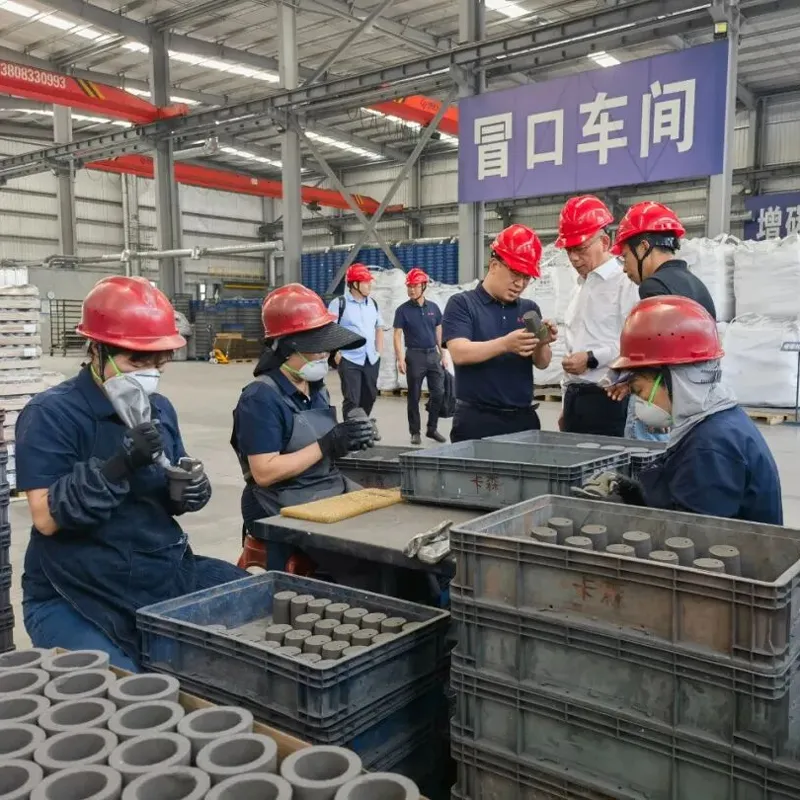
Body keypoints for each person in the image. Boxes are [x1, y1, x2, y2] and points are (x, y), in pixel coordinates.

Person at [16, 276, 247, 671]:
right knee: (130, 688)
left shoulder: (160, 409)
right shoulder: (51, 415)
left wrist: (187, 490)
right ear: (96, 350)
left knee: (253, 607)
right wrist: (119, 465)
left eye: (159, 362)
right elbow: (46, 518)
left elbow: (171, 475)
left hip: (155, 570)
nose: (150, 374)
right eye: (136, 362)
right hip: (77, 589)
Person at [578, 296, 782, 525]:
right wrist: (633, 493)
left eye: (640, 391)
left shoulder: (710, 446)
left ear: (675, 380)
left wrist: (624, 516)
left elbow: (690, 535)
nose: (640, 403)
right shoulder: (717, 421)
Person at [231, 284, 376, 572]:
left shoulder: (316, 389)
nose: (325, 356)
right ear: (286, 348)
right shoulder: (260, 398)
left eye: (327, 349)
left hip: (324, 488)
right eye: (317, 349)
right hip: (280, 500)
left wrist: (350, 437)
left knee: (384, 528)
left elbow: (323, 445)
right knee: (364, 558)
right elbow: (264, 472)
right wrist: (326, 444)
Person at [611, 201, 717, 442]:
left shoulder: (654, 286)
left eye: (625, 257)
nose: (625, 268)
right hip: (693, 399)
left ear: (643, 247)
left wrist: (630, 381)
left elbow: (655, 358)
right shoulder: (695, 283)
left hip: (660, 405)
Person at [442, 224, 556, 442]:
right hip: (477, 421)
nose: (520, 284)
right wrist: (505, 344)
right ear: (494, 265)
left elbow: (542, 363)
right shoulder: (462, 304)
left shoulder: (529, 309)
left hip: (523, 420)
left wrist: (543, 342)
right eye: (516, 274)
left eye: (527, 278)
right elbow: (460, 352)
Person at [556, 195, 639, 436]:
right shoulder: (579, 287)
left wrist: (592, 358)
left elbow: (635, 345)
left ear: (604, 242)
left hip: (609, 398)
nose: (573, 258)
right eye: (569, 250)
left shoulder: (625, 283)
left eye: (580, 249)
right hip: (575, 399)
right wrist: (565, 405)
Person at [393, 268, 446, 445]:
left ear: (423, 286)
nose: (411, 290)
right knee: (414, 396)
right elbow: (397, 335)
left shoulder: (434, 308)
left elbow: (439, 332)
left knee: (439, 392)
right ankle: (415, 432)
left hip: (432, 355)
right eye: (409, 286)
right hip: (414, 356)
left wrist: (443, 354)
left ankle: (432, 428)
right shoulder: (402, 310)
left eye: (415, 286)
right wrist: (400, 359)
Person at [328, 263, 384, 420]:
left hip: (370, 359)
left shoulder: (372, 304)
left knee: (370, 395)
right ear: (354, 284)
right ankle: (351, 430)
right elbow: (329, 330)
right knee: (352, 399)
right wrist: (335, 353)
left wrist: (378, 352)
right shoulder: (339, 304)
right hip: (349, 359)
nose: (369, 285)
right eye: (365, 282)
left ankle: (361, 424)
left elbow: (379, 327)